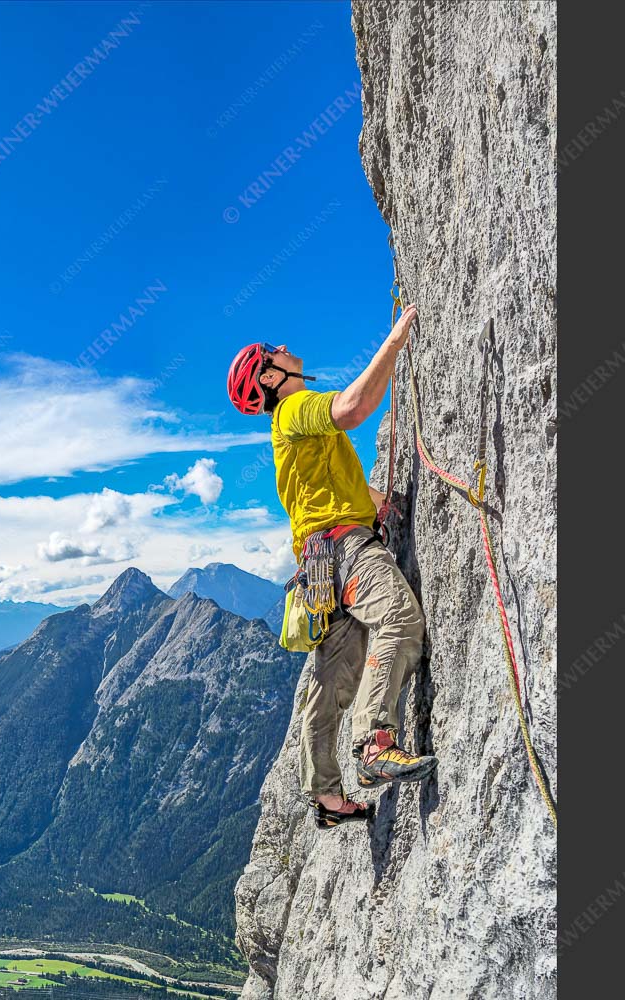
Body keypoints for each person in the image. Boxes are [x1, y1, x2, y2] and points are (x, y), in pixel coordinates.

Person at [226, 303, 435, 828]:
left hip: (320, 571)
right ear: (272, 377)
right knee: (399, 620)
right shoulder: (295, 411)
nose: (282, 346)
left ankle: (324, 794)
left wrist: (381, 502)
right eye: (271, 352)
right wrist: (394, 343)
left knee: (330, 682)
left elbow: (331, 487)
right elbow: (352, 409)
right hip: (345, 551)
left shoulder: (293, 435)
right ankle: (376, 742)